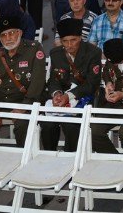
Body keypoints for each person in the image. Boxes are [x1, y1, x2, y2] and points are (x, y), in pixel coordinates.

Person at [0, 16, 47, 146]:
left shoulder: (34, 49)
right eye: (4, 35)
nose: (8, 38)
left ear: (20, 33)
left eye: (12, 33)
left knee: (22, 124)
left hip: (26, 102)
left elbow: (38, 82)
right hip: (0, 104)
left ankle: (24, 158)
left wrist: (23, 108)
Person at [42, 17, 102, 151]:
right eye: (65, 41)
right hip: (61, 98)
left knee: (70, 124)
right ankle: (48, 155)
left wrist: (68, 96)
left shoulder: (93, 53)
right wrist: (56, 94)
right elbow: (53, 79)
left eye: (73, 40)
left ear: (80, 38)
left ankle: (71, 157)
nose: (69, 45)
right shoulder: (56, 53)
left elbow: (92, 84)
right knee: (47, 125)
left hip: (84, 97)